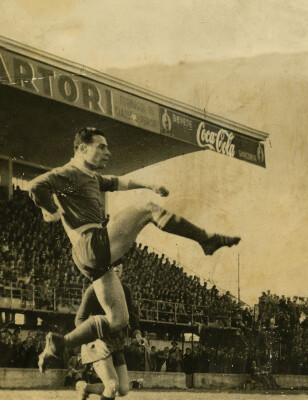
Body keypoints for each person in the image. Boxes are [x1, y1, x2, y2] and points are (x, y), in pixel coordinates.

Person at [28, 127, 241, 371]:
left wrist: (149, 184)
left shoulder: (91, 176)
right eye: (101, 146)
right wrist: (52, 210)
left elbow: (120, 182)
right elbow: (35, 186)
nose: (108, 152)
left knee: (120, 319)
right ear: (82, 148)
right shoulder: (69, 172)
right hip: (91, 243)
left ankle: (60, 343)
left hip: (91, 256)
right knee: (149, 209)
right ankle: (205, 239)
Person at [75, 263, 145, 400]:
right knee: (112, 385)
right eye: (113, 265)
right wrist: (94, 340)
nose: (117, 268)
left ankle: (85, 388)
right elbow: (79, 320)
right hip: (96, 342)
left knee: (123, 389)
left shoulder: (125, 290)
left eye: (120, 265)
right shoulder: (93, 289)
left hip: (116, 342)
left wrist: (137, 334)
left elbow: (130, 315)